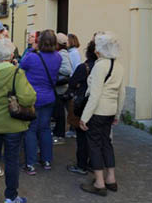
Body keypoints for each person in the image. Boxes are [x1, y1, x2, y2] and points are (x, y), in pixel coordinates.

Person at [0, 39, 36, 203]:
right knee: (11, 159)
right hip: (13, 124)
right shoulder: (17, 73)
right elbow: (28, 97)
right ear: (11, 55)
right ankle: (11, 196)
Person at [79, 32, 124, 196]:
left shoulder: (100, 66)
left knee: (95, 146)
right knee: (107, 144)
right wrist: (118, 113)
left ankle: (99, 183)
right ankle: (111, 178)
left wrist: (84, 117)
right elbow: (122, 92)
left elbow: (95, 94)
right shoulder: (118, 66)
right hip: (111, 110)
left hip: (98, 111)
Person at [20, 30, 62, 175]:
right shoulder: (58, 57)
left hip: (33, 97)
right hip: (49, 96)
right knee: (45, 129)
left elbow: (21, 66)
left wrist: (33, 49)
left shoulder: (32, 56)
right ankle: (47, 160)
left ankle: (30, 164)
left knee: (31, 129)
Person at [66, 39, 97, 175]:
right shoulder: (107, 67)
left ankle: (82, 165)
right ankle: (94, 163)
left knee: (82, 136)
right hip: (99, 107)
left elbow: (72, 83)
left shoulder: (83, 67)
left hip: (83, 104)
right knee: (95, 137)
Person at [52, 32, 72, 145]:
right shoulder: (60, 53)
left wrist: (56, 67)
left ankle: (60, 135)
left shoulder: (63, 54)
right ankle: (58, 133)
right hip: (59, 87)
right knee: (59, 112)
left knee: (60, 113)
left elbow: (67, 70)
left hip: (61, 88)